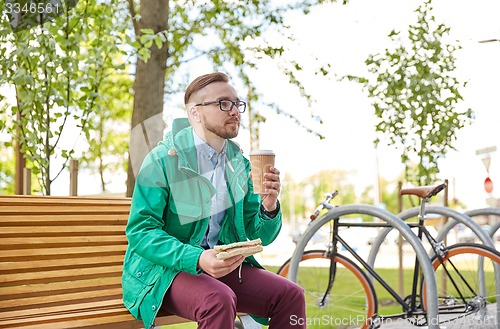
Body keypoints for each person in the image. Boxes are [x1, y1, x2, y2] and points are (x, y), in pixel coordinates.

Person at [122, 72, 306, 329]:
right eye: (223, 103)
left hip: (221, 268)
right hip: (164, 272)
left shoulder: (240, 164)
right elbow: (141, 232)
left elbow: (256, 235)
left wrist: (269, 205)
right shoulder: (163, 160)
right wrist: (197, 258)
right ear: (195, 113)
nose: (234, 111)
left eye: (236, 103)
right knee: (218, 299)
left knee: (290, 295)